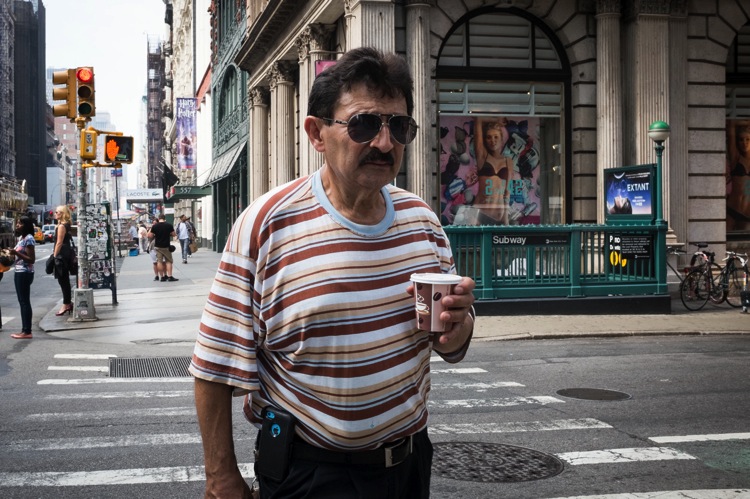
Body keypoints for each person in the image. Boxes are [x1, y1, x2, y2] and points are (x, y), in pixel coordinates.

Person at [189, 47, 476, 499]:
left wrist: (458, 328)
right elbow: (213, 365)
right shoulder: (265, 226)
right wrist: (220, 476)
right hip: (309, 474)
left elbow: (450, 344)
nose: (384, 143)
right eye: (364, 124)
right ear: (317, 134)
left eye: (398, 126)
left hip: (407, 466)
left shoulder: (423, 221)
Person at [472, 117, 512, 225]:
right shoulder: (482, 157)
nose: (492, 141)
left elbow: (507, 192)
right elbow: (478, 120)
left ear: (501, 139)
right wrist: (496, 121)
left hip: (499, 216)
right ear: (484, 140)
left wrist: (506, 219)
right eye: (488, 137)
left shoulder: (508, 162)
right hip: (479, 213)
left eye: (496, 137)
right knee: (473, 242)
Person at [9, 217, 35, 339]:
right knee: (22, 301)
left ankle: (27, 331)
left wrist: (16, 253)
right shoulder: (21, 238)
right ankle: (25, 329)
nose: (17, 225)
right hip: (19, 271)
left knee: (24, 301)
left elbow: (31, 259)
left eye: (20, 224)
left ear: (26, 225)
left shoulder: (29, 238)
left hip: (24, 273)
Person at [52, 205, 75, 316]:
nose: (55, 213)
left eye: (57, 212)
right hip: (66, 254)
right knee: (64, 280)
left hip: (62, 255)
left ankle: (66, 304)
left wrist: (54, 256)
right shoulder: (66, 225)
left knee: (63, 280)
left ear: (62, 214)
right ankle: (68, 302)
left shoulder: (61, 226)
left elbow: (59, 242)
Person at [727, 124, 750, 230]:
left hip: (747, 214)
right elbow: (731, 127)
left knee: (744, 245)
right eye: (741, 140)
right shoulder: (736, 158)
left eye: (748, 139)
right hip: (732, 209)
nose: (744, 143)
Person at [147, 215, 178, 282]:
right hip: (166, 246)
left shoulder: (155, 226)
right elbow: (174, 234)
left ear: (159, 218)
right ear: (164, 219)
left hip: (157, 246)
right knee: (169, 261)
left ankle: (162, 277)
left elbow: (150, 235)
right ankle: (169, 276)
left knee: (159, 261)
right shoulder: (169, 225)